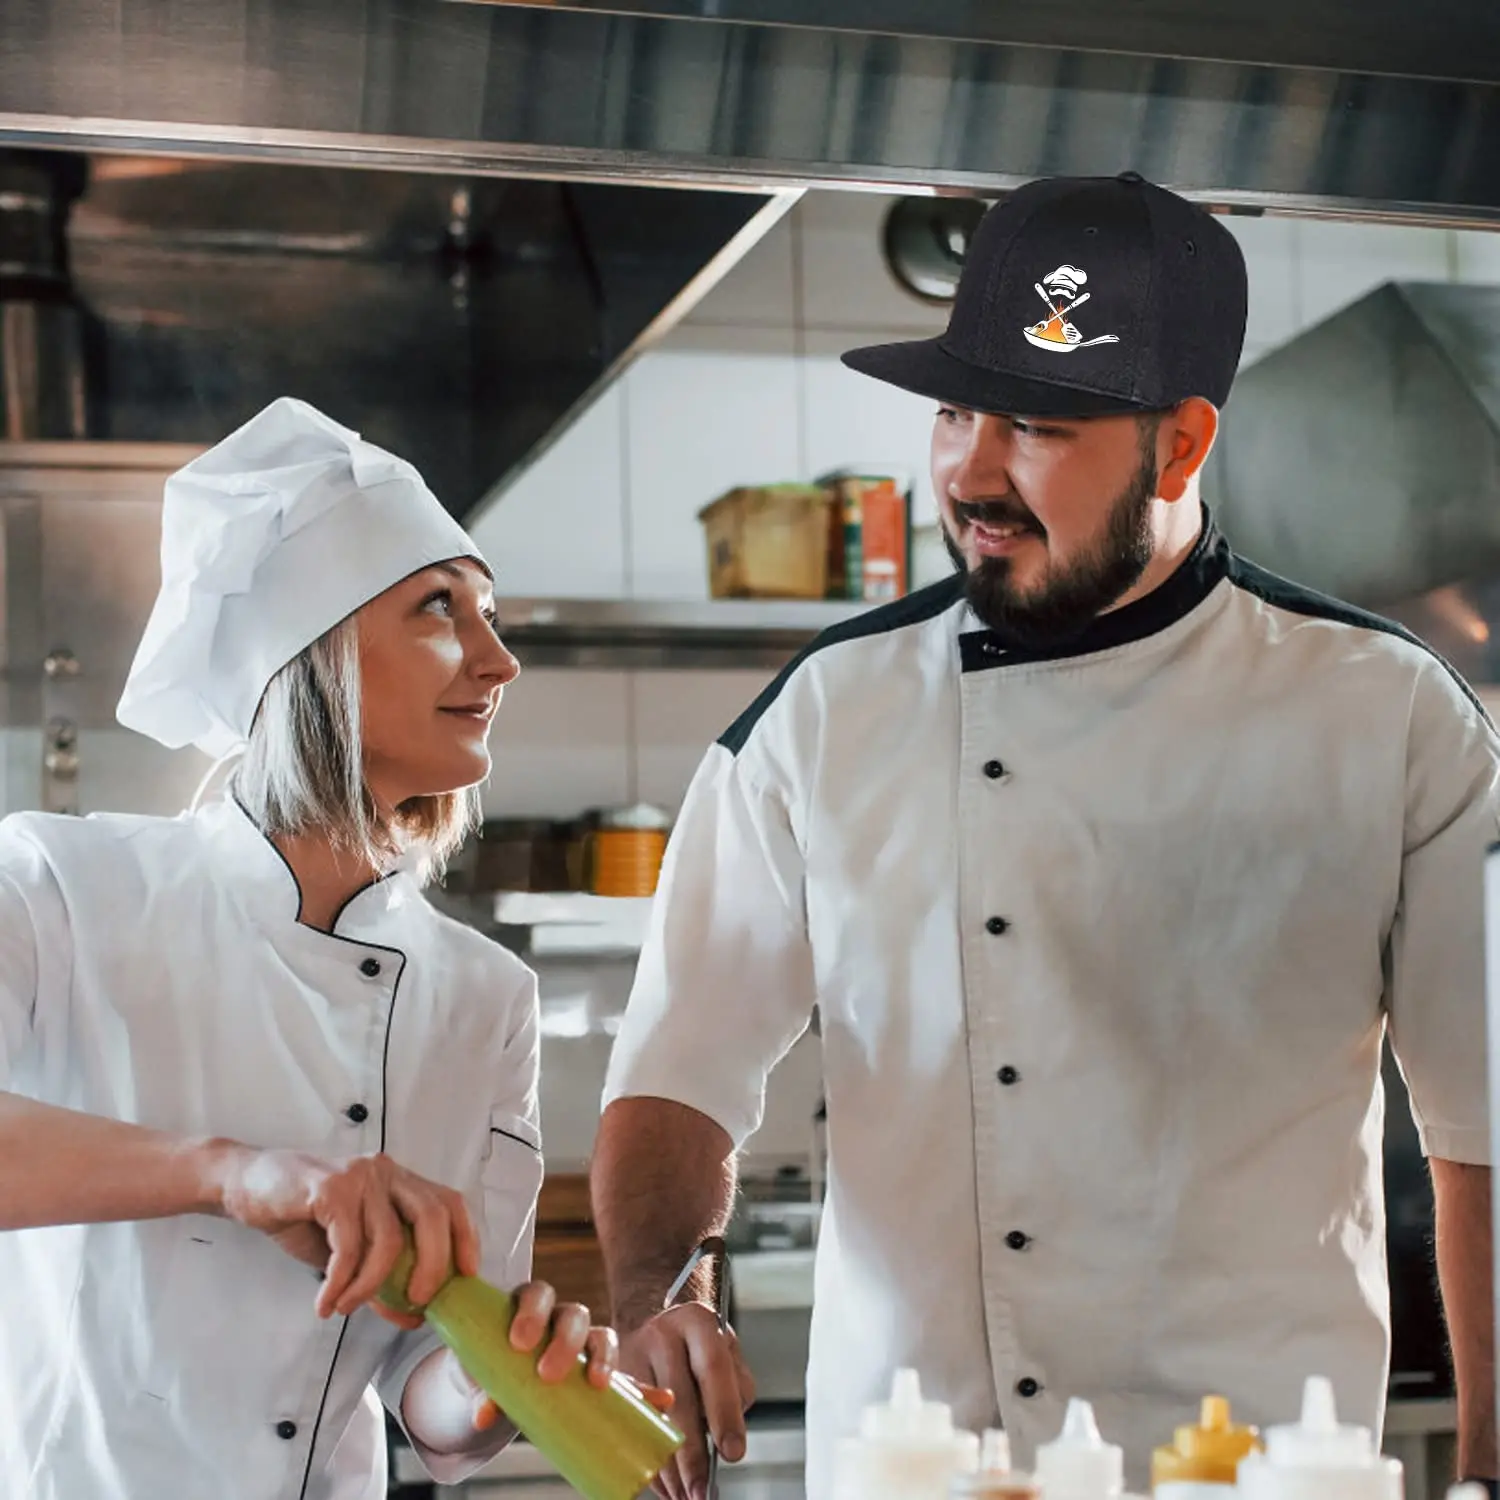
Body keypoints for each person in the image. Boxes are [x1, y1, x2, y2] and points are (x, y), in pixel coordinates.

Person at [590, 173, 1500, 1499]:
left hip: (1261, 1466)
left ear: (1181, 446)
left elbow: (1484, 1117)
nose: (970, 470)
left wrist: (1489, 1464)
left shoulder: (1390, 712)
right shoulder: (826, 718)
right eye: (955, 411)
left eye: (1034, 423)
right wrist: (656, 1291)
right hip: (922, 1460)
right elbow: (682, 1064)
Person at [0, 398, 646, 1499]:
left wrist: (506, 1381)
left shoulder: (484, 995)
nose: (499, 663)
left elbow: (424, 1384)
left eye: (492, 616)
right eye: (441, 609)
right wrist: (233, 1175)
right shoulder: (62, 887)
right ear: (311, 656)